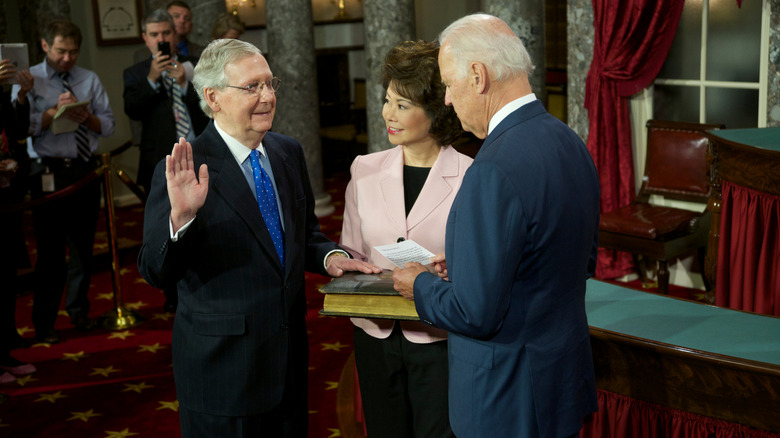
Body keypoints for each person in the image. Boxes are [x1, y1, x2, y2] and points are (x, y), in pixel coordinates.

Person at [136, 38, 381, 437]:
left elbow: (303, 237)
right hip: (223, 375)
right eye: (252, 87)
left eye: (270, 84)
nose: (267, 96)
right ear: (213, 97)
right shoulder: (185, 167)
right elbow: (154, 270)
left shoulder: (287, 152)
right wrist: (180, 219)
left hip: (288, 365)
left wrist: (329, 257)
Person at [392, 14, 600, 438]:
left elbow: (475, 314)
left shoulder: (491, 170)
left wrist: (419, 284)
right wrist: (475, 265)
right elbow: (578, 259)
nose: (447, 99)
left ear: (478, 76)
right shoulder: (570, 141)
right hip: (558, 383)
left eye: (449, 84)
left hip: (507, 401)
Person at [339, 40, 469, 438]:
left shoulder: (472, 177)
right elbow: (352, 251)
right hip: (375, 335)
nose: (386, 114)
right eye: (386, 100)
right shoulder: (363, 168)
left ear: (435, 110)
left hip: (439, 335)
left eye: (402, 105)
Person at [24, 19, 115, 344]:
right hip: (48, 172)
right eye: (61, 51)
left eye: (73, 52)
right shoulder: (29, 78)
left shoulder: (88, 78)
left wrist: (86, 118)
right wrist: (50, 115)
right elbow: (22, 126)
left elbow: (108, 124)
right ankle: (44, 323)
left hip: (85, 170)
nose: (67, 59)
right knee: (50, 254)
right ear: (46, 45)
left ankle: (79, 311)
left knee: (83, 249)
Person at [124, 9, 209, 312]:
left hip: (201, 158)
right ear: (146, 38)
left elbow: (209, 109)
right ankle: (172, 296)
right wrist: (152, 79)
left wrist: (186, 83)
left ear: (175, 35)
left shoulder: (196, 68)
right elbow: (133, 109)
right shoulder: (135, 73)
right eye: (155, 35)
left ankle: (203, 285)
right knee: (166, 227)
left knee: (202, 221)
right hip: (160, 165)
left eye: (167, 33)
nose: (162, 39)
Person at [0, 56, 36, 383]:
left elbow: (16, 130)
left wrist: (20, 97)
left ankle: (4, 349)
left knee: (6, 276)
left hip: (5, 195)